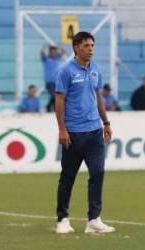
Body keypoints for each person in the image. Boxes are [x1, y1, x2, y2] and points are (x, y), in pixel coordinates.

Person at [55, 32, 115, 234]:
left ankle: (94, 220)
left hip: (94, 131)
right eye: (87, 45)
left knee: (97, 173)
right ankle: (63, 219)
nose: (91, 49)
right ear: (76, 48)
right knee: (68, 178)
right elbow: (59, 100)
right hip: (73, 133)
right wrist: (62, 129)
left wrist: (106, 123)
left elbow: (98, 98)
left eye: (92, 45)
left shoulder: (96, 69)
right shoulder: (66, 71)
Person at [41, 44, 66, 112]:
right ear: (50, 52)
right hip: (49, 82)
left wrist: (58, 47)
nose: (54, 53)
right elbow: (42, 52)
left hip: (57, 82)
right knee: (54, 95)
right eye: (52, 51)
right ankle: (49, 107)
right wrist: (45, 46)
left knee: (57, 96)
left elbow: (64, 50)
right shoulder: (46, 59)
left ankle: (52, 108)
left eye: (55, 51)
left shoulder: (57, 58)